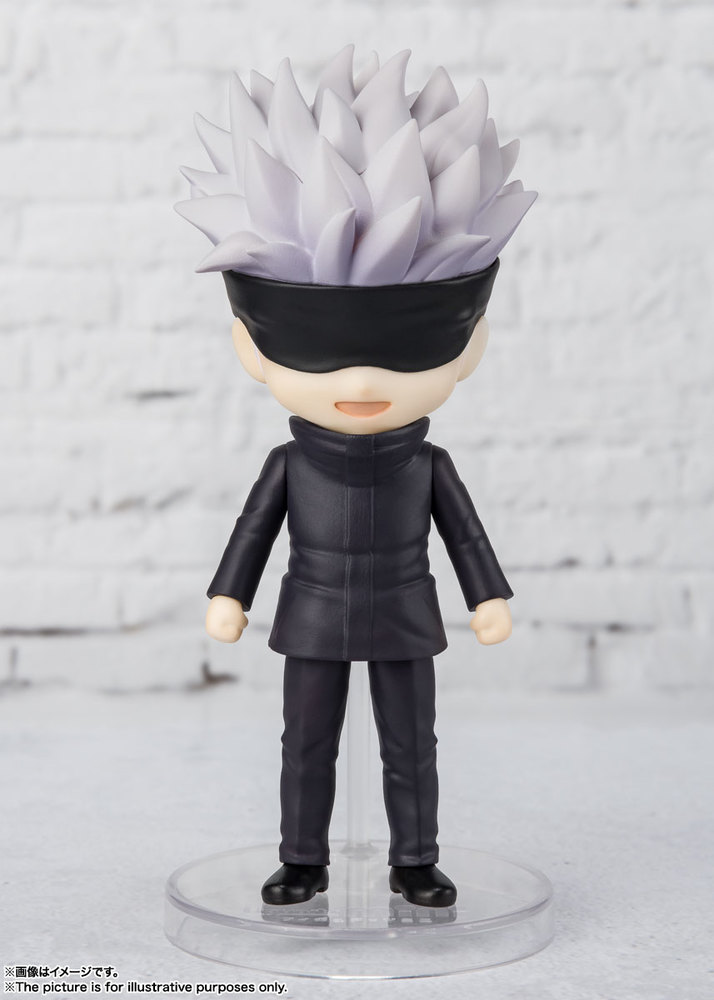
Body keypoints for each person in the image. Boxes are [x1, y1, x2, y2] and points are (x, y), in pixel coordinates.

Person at [176, 47, 535, 906]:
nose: (364, 382)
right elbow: (254, 531)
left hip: (406, 613)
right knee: (306, 742)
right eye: (321, 355)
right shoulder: (291, 463)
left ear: (470, 347)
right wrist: (229, 593)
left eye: (404, 355)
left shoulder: (428, 464)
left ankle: (416, 858)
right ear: (252, 350)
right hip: (312, 613)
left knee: (413, 745)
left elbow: (465, 534)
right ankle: (303, 857)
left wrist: (488, 595)